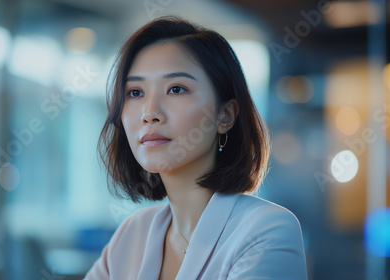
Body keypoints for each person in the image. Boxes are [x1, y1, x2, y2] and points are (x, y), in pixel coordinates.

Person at [83, 15, 308, 280]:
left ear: (225, 115)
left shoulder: (266, 230)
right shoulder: (131, 235)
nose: (150, 113)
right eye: (135, 92)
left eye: (176, 89)